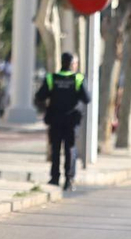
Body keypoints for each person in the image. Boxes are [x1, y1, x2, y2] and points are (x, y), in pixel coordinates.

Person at [34, 52, 91, 189]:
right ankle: (69, 180)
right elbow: (87, 98)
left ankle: (54, 178)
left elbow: (39, 96)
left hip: (55, 119)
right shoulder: (78, 78)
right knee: (70, 148)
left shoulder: (51, 78)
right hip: (72, 120)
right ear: (73, 64)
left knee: (55, 148)